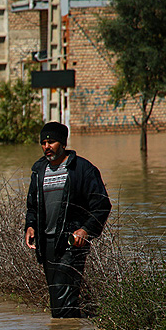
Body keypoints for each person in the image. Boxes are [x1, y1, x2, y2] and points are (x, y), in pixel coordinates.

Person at [25, 122, 111, 318]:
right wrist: (30, 226)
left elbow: (102, 205)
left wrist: (85, 230)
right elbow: (32, 206)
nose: (47, 147)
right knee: (60, 299)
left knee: (62, 297)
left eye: (51, 142)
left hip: (72, 243)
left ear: (63, 143)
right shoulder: (39, 170)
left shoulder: (82, 169)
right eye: (43, 143)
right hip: (46, 243)